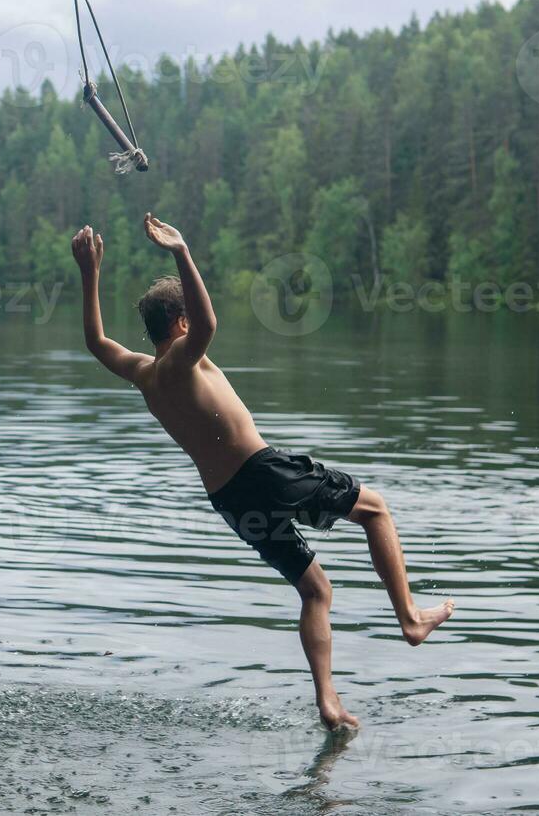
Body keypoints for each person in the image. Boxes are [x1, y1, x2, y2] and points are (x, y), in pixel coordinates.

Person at [70, 214, 454, 731]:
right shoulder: (183, 359)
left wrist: (89, 272)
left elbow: (97, 342)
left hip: (229, 498)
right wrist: (182, 251)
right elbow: (208, 325)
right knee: (375, 509)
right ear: (178, 325)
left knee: (315, 590)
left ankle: (328, 701)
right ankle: (408, 616)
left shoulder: (144, 375)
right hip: (263, 471)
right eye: (189, 321)